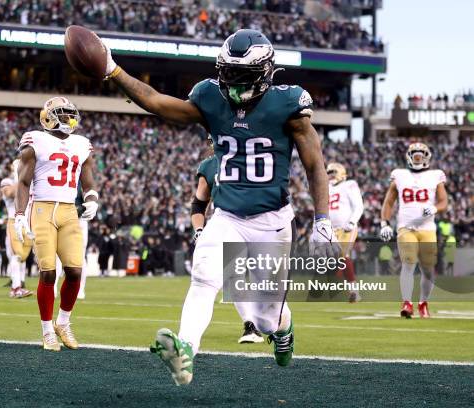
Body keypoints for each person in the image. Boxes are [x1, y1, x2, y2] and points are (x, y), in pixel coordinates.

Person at [103, 29, 338, 385]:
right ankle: (185, 353)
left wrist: (323, 220)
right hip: (226, 215)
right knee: (203, 277)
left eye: (243, 77)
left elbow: (315, 166)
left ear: (265, 73)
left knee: (264, 319)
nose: (233, 85)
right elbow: (155, 102)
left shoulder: (288, 104)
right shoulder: (210, 96)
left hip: (272, 222)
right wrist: (113, 69)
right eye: (229, 74)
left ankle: (283, 331)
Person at [15, 97, 99, 351]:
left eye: (70, 115)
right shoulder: (35, 140)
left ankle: (63, 322)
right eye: (62, 115)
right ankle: (46, 330)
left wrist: (92, 198)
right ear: (49, 117)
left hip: (68, 210)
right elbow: (22, 181)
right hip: (41, 208)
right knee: (48, 272)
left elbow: (88, 179)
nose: (68, 120)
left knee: (75, 271)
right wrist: (20, 214)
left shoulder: (82, 144)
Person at [191, 146, 264, 344]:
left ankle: (269, 326)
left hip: (261, 223)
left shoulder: (254, 154)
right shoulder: (209, 165)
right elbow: (199, 203)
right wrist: (199, 230)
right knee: (231, 278)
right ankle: (251, 325)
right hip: (227, 225)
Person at [380, 142, 448, 318]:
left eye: (421, 153)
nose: (418, 156)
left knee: (428, 269)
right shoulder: (400, 175)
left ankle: (423, 303)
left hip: (427, 228)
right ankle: (407, 303)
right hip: (405, 227)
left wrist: (434, 209)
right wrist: (384, 223)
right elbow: (388, 202)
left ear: (427, 156)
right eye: (415, 153)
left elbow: (443, 201)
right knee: (408, 263)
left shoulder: (435, 175)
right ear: (409, 156)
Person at [327, 162, 364, 302]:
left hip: (346, 228)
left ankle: (352, 290)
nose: (330, 176)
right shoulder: (326, 188)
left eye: (333, 172)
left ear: (341, 173)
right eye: (328, 173)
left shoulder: (349, 184)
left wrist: (352, 221)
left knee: (342, 255)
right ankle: (351, 290)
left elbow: (359, 205)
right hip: (330, 229)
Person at [0, 160, 33, 298]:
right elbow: (10, 193)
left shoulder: (29, 180)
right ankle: (15, 288)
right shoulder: (7, 181)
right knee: (17, 254)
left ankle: (21, 284)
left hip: (28, 221)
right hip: (14, 220)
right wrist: (19, 178)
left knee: (24, 256)